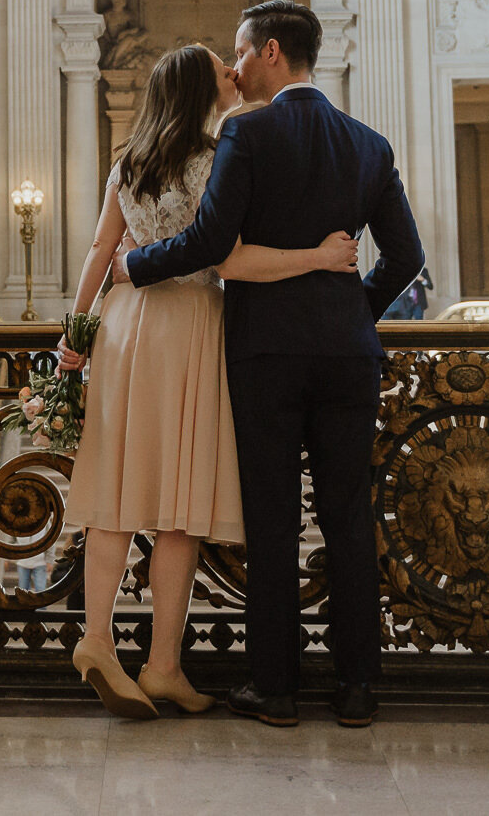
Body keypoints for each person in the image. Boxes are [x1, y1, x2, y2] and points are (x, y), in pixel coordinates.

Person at [113, 0, 424, 730]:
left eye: (243, 52)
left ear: (273, 51)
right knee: (350, 519)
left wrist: (134, 263)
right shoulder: (369, 143)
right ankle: (356, 689)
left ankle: (275, 688)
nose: (237, 65)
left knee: (275, 520)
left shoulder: (246, 132)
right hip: (349, 356)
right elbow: (406, 257)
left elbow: (212, 242)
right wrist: (353, 310)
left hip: (265, 354)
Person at [58, 44, 365, 721]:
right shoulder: (217, 159)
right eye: (224, 74)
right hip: (193, 324)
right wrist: (319, 254)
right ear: (204, 88)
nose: (236, 77)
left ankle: (98, 638)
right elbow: (232, 261)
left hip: (124, 327)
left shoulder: (129, 161)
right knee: (181, 502)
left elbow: (99, 249)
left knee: (116, 488)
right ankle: (162, 660)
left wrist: (73, 332)